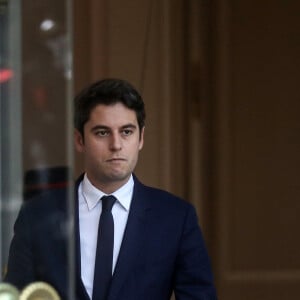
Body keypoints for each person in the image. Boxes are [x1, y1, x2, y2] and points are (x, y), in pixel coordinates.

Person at [4, 79, 217, 299]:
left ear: (141, 138)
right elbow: (15, 295)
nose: (116, 144)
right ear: (79, 140)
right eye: (102, 133)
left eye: (126, 132)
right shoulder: (37, 215)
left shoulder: (176, 217)